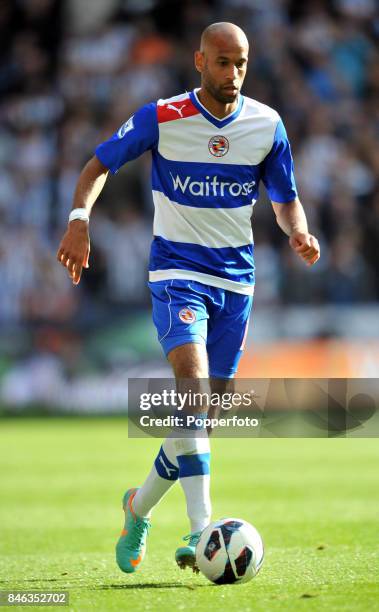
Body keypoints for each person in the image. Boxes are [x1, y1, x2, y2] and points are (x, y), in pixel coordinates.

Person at [57, 22, 320, 574]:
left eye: (241, 63)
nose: (233, 75)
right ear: (199, 61)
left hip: (236, 281)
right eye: (223, 63)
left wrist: (298, 231)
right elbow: (96, 165)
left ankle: (138, 507)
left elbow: (285, 197)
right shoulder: (162, 116)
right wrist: (80, 221)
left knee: (200, 415)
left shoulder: (267, 124)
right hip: (177, 272)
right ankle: (205, 534)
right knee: (193, 389)